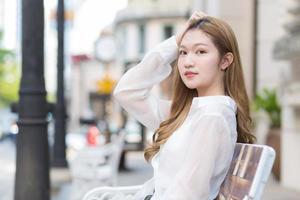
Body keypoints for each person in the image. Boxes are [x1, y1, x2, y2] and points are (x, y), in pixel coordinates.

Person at [113, 11, 255, 200]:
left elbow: (187, 195)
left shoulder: (212, 117)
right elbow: (126, 92)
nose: (188, 62)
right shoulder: (188, 112)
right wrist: (175, 41)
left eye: (201, 52)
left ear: (225, 60)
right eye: (183, 52)